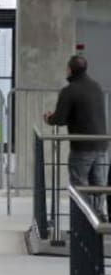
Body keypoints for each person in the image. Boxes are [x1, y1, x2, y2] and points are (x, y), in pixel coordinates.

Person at [44, 54, 109, 218]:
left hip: (82, 147)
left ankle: (83, 221)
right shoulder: (97, 87)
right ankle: (99, 219)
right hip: (101, 145)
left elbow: (60, 118)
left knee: (79, 186)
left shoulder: (69, 91)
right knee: (99, 185)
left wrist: (48, 118)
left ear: (70, 70)